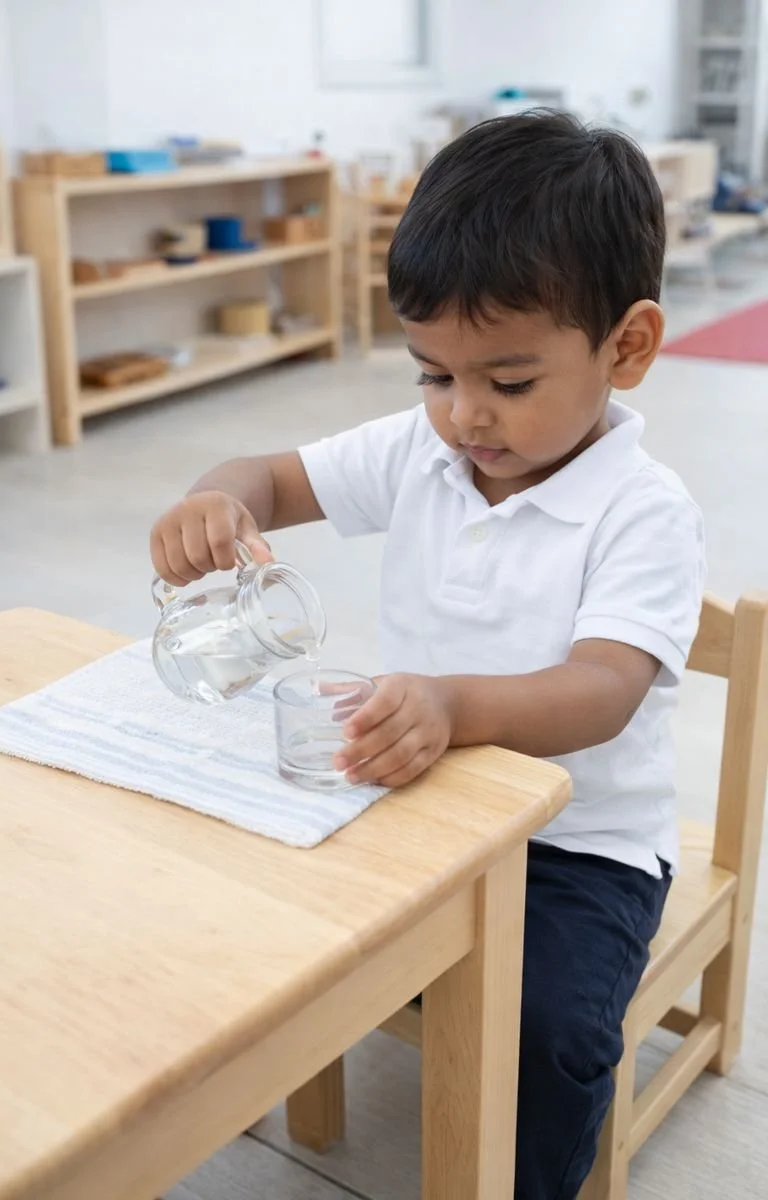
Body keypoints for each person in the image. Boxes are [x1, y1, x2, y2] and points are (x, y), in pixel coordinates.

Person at [150, 111, 705, 1199]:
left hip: (576, 842)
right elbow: (264, 475)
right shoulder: (421, 449)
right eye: (431, 375)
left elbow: (600, 691)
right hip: (418, 797)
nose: (463, 418)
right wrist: (215, 499)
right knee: (259, 919)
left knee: (544, 1027)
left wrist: (451, 703)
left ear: (625, 348)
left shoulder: (643, 511)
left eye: (505, 381)